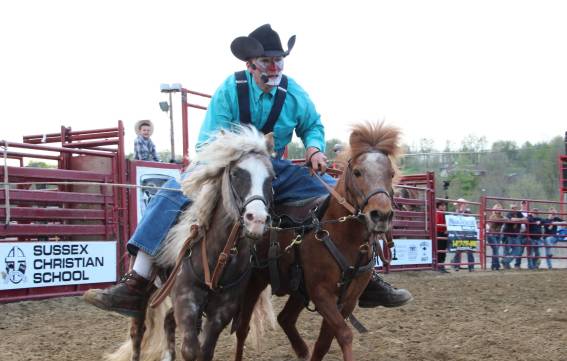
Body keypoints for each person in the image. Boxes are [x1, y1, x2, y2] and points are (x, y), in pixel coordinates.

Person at [83, 24, 412, 318]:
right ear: (250, 65)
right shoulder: (231, 90)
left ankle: (367, 275)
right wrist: (239, 157)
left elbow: (312, 123)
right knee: (170, 193)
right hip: (226, 164)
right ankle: (136, 282)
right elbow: (211, 141)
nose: (274, 67)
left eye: (278, 60)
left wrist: (313, 147)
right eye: (267, 61)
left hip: (275, 168)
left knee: (338, 192)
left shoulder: (294, 93)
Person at [450, 198, 475, 272]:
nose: (458, 205)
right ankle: (456, 265)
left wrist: (461, 212)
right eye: (458, 204)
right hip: (459, 234)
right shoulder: (456, 212)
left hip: (467, 233)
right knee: (458, 250)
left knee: (469, 250)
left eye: (460, 204)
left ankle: (471, 266)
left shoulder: (468, 211)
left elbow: (470, 218)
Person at [501, 203, 525, 269]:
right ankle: (506, 264)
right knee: (506, 250)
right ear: (510, 208)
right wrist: (520, 219)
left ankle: (505, 261)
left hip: (515, 235)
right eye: (512, 208)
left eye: (515, 208)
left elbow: (525, 219)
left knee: (518, 250)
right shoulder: (509, 214)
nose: (514, 209)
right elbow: (512, 219)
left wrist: (519, 219)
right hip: (507, 234)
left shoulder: (519, 213)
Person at [486, 203, 505, 271]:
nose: (498, 210)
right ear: (494, 209)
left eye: (500, 208)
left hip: (498, 235)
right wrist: (504, 219)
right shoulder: (492, 216)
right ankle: (497, 265)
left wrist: (504, 219)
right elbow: (497, 220)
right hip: (491, 235)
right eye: (497, 208)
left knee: (495, 250)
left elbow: (507, 220)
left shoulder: (501, 217)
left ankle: (493, 265)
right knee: (496, 249)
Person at [435, 201, 449, 273]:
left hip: (442, 233)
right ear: (439, 206)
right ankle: (440, 266)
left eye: (444, 205)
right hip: (440, 233)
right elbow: (439, 223)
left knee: (442, 251)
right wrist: (445, 229)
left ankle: (441, 266)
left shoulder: (442, 213)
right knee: (441, 250)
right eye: (442, 205)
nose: (444, 207)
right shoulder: (439, 213)